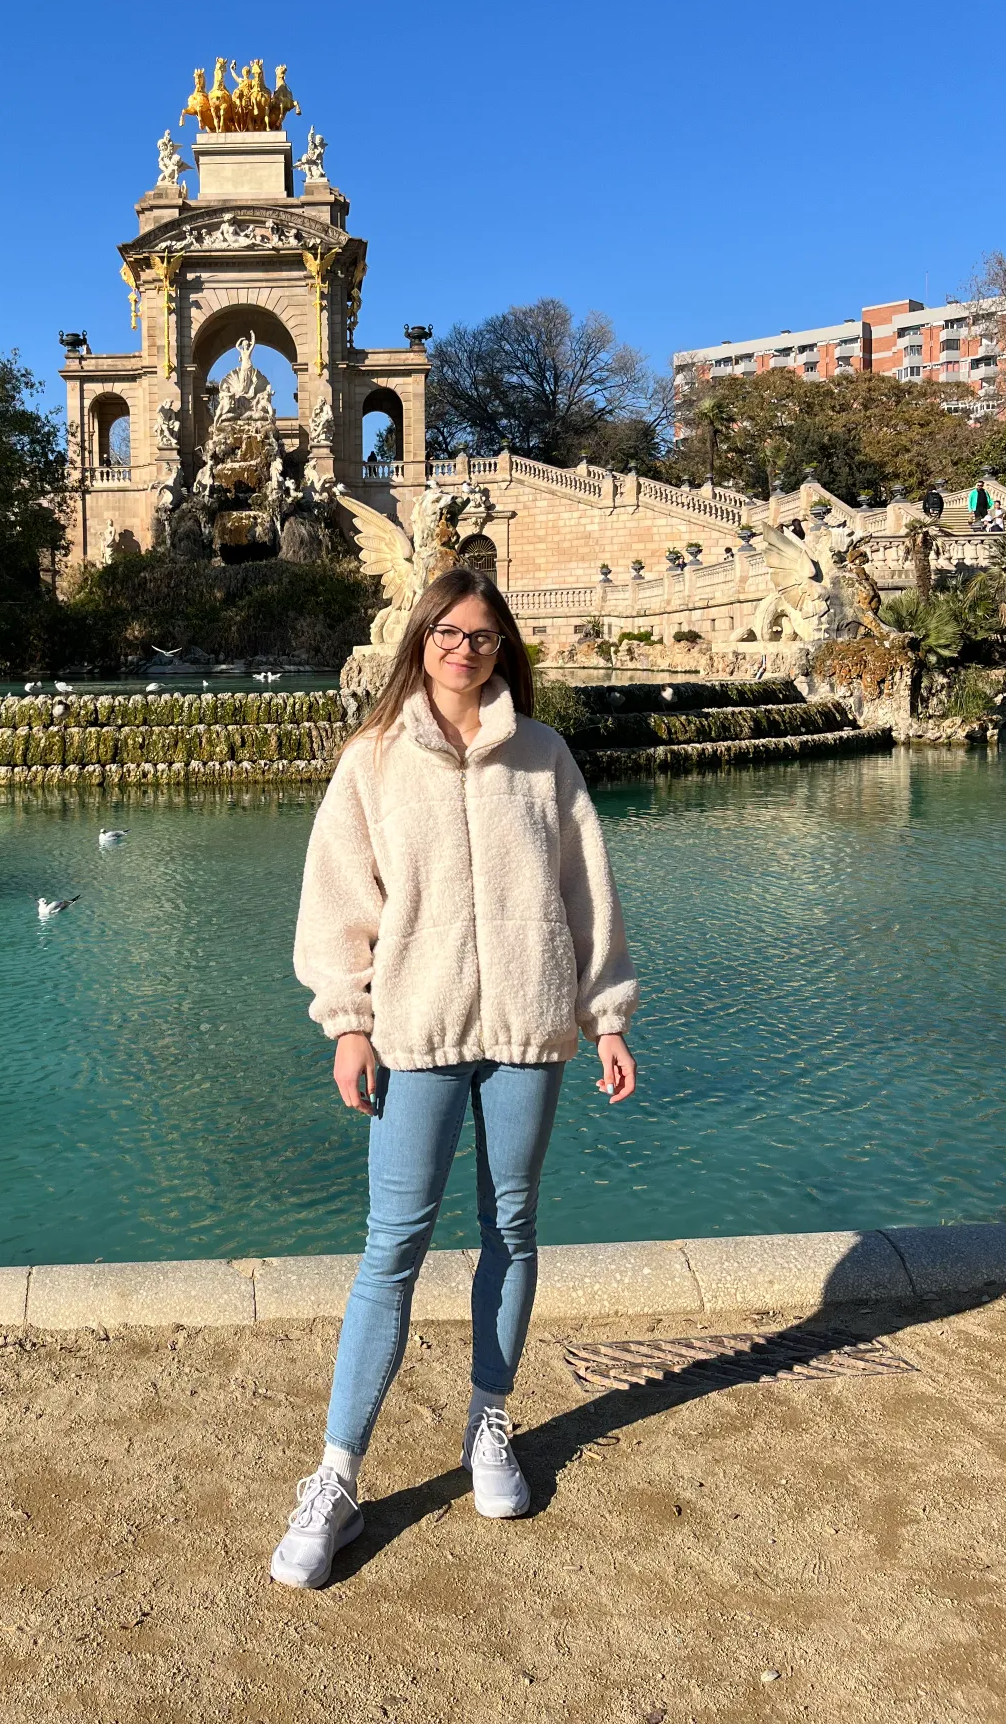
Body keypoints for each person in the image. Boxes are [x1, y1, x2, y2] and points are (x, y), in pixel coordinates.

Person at [272, 566, 639, 1590]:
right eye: (448, 632)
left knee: (511, 1227)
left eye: (481, 635)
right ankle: (337, 1474)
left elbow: (588, 893)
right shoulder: (373, 760)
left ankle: (489, 1422)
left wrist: (606, 1016)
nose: (464, 649)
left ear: (502, 645)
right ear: (421, 638)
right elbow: (337, 903)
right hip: (414, 1031)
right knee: (392, 1244)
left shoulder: (544, 754)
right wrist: (348, 1024)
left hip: (529, 1025)